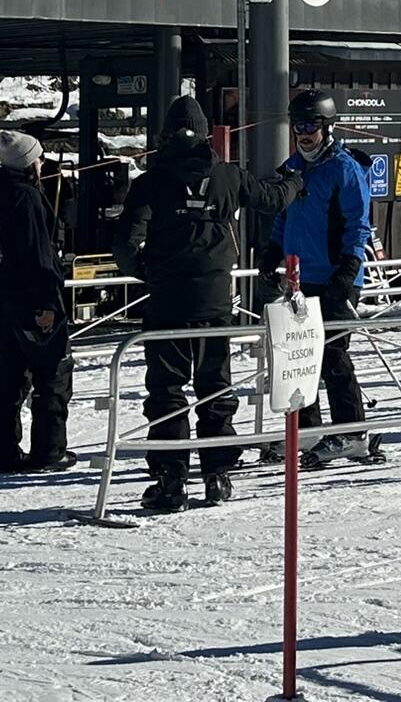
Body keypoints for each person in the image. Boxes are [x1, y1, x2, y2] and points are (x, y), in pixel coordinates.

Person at [113, 96, 300, 513]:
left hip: (166, 299)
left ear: (164, 136)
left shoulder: (151, 182)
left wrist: (149, 270)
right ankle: (217, 473)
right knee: (215, 381)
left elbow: (124, 243)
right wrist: (295, 180)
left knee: (166, 386)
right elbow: (272, 199)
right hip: (215, 296)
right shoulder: (227, 176)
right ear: (205, 134)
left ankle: (170, 476)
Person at [261, 89, 378, 468]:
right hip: (299, 276)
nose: (303, 133)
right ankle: (307, 432)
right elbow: (284, 215)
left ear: (327, 127)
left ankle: (351, 432)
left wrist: (347, 271)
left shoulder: (344, 168)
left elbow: (358, 225)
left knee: (333, 356)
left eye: (311, 125)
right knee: (300, 357)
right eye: (297, 126)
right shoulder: (294, 166)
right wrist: (272, 251)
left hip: (334, 277)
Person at [0, 131, 74, 474]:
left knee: (10, 373)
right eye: (39, 157)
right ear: (27, 163)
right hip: (31, 299)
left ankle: (0, 451)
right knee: (53, 371)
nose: (42, 162)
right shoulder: (26, 198)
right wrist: (48, 302)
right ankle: (49, 450)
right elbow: (38, 256)